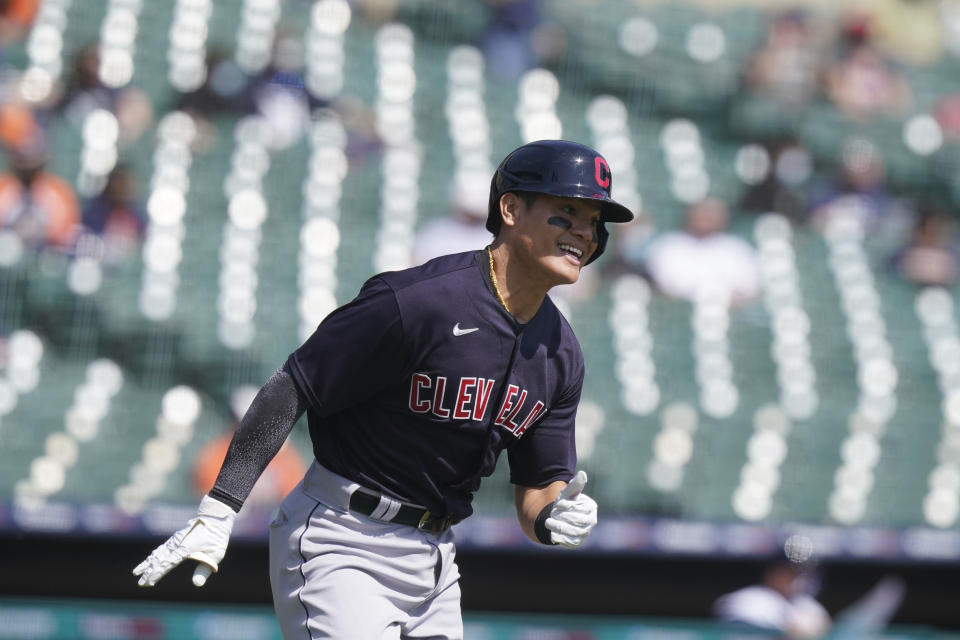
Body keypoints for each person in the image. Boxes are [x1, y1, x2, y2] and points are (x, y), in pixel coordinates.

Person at [133, 139, 633, 639]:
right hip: (343, 538)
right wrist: (220, 508)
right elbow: (294, 384)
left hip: (436, 560)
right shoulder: (420, 301)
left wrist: (553, 517)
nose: (583, 233)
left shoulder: (561, 354)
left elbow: (537, 487)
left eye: (594, 223)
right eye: (567, 213)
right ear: (510, 209)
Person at [641, 197, 761, 305]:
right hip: (681, 312)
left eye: (712, 213)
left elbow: (748, 289)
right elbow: (667, 287)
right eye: (703, 212)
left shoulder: (736, 248)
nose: (706, 218)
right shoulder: (669, 245)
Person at [713, 538, 831, 639]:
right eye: (791, 571)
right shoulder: (746, 600)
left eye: (801, 572)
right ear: (773, 572)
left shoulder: (805, 603)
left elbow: (823, 624)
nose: (798, 578)